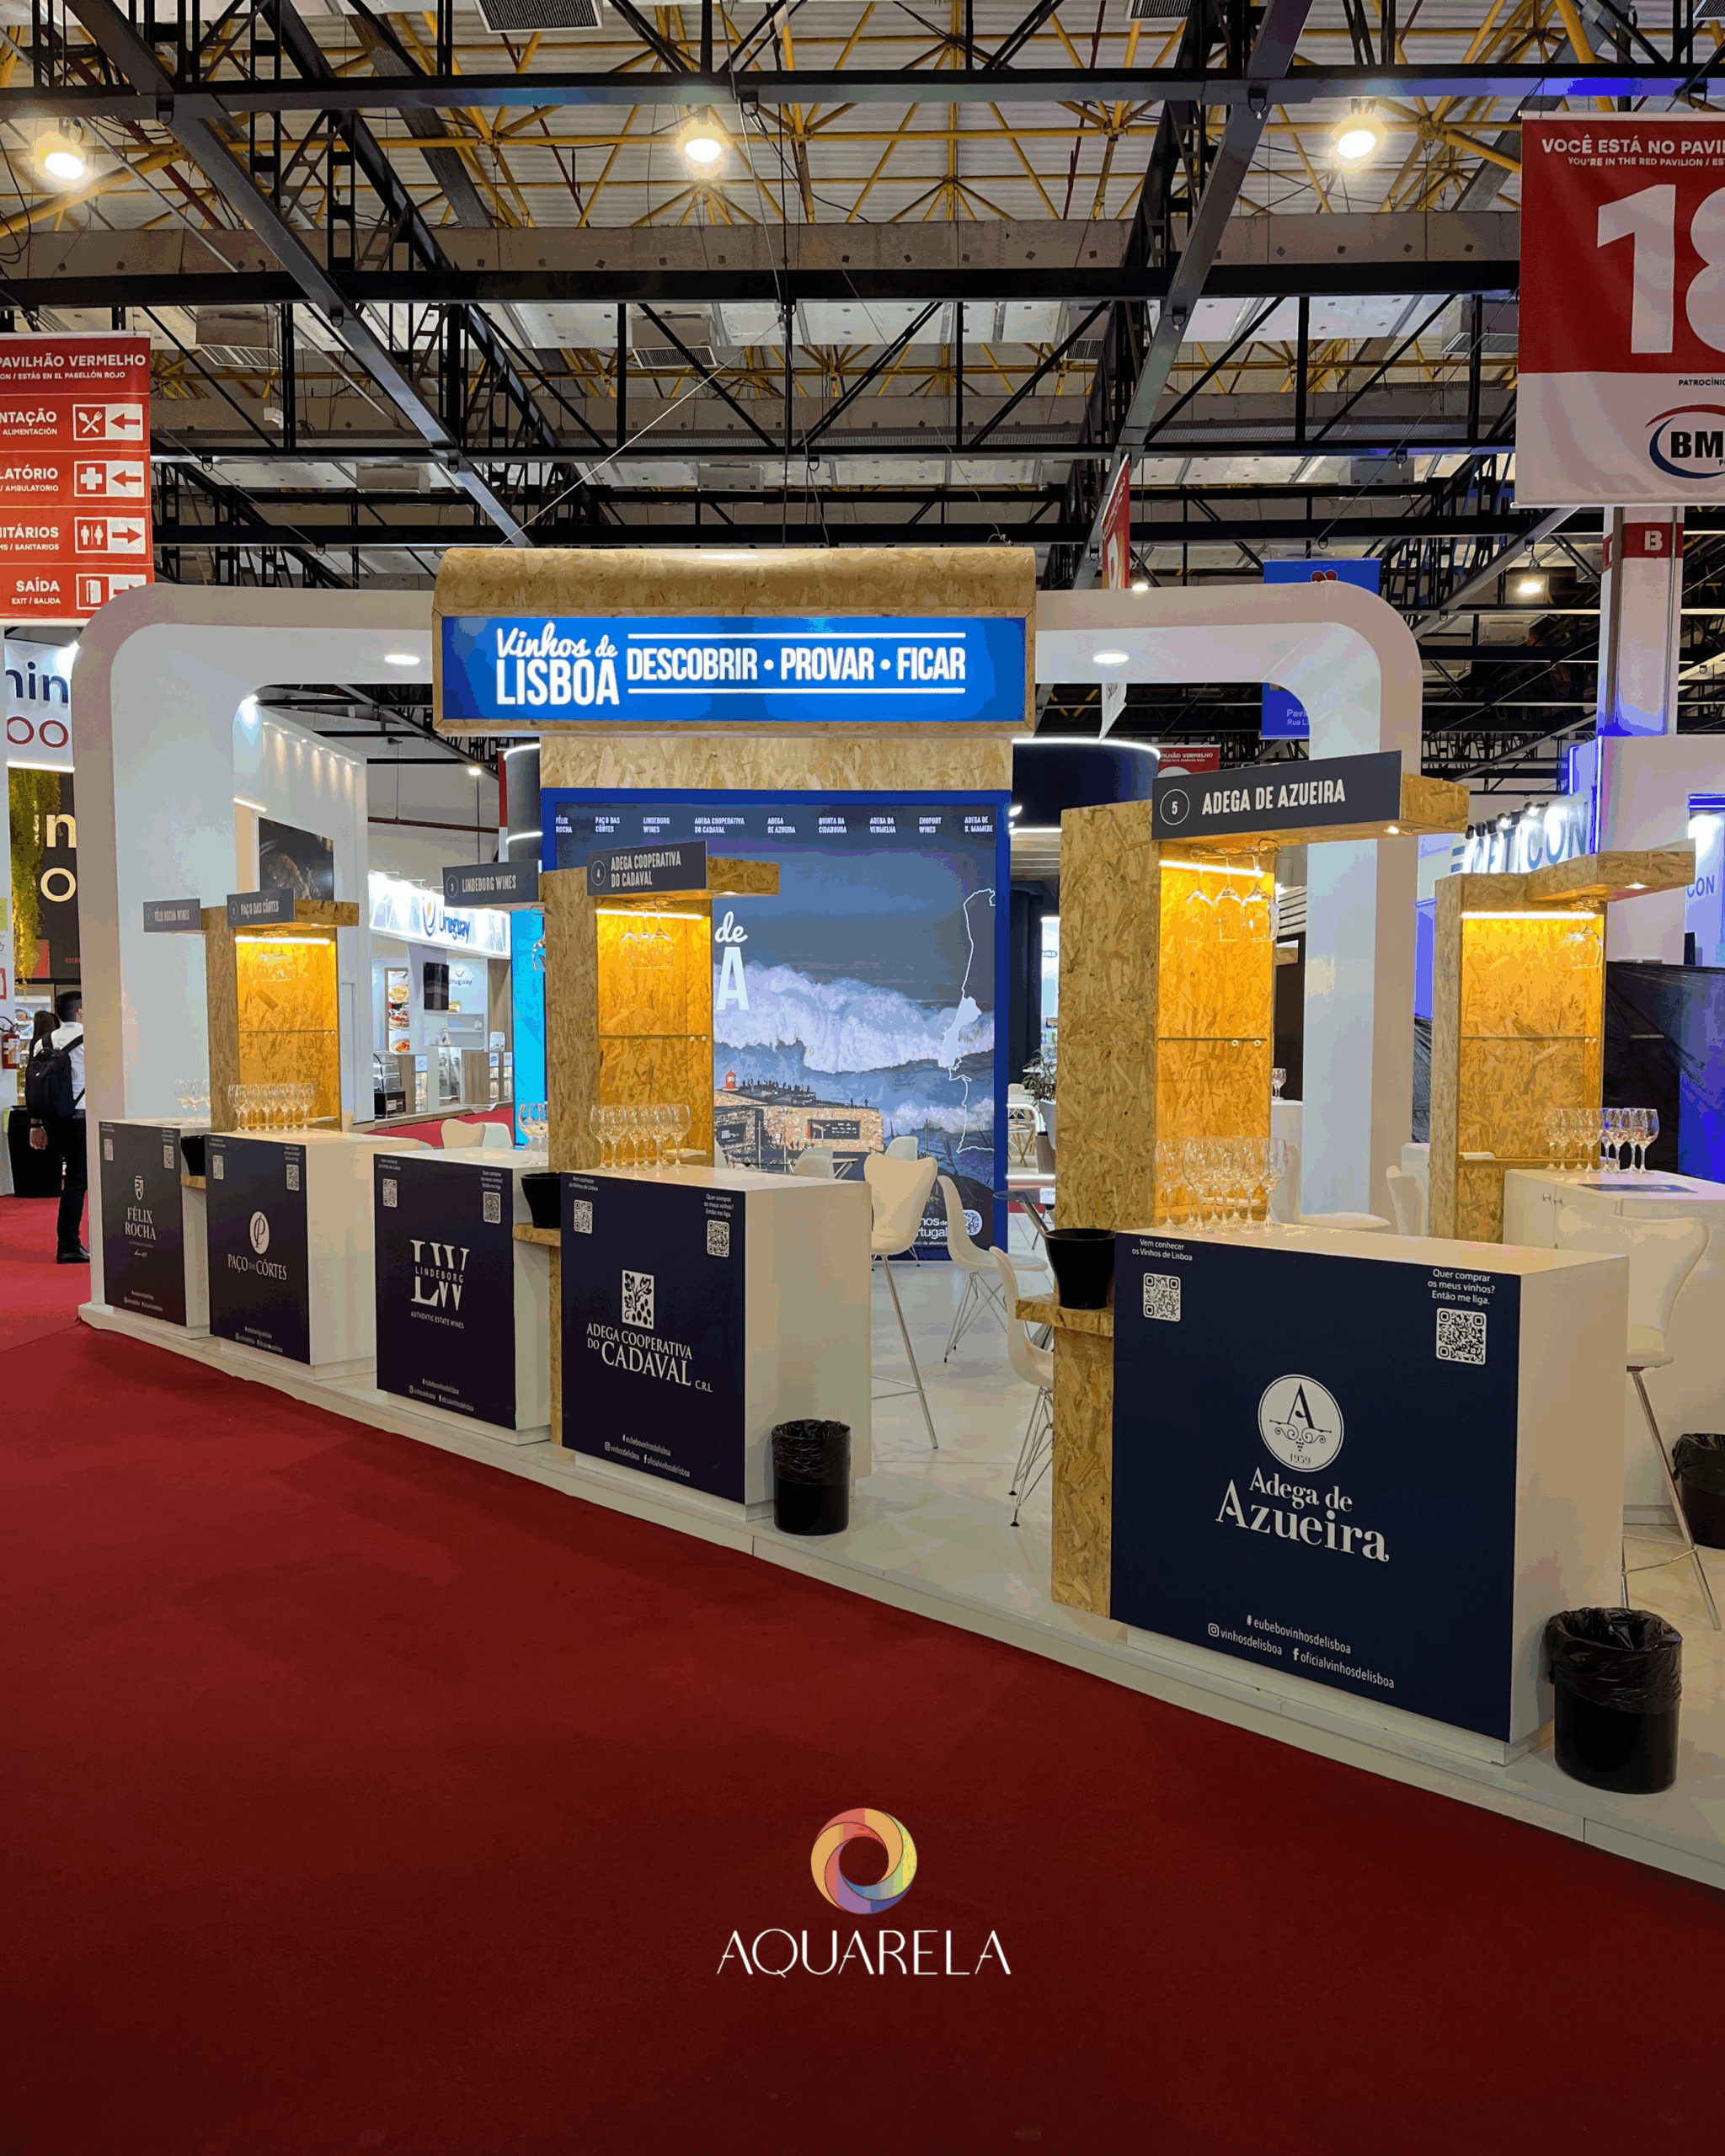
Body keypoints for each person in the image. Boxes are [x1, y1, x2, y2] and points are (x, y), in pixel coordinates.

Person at [26, 989, 88, 1262]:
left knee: (73, 1179)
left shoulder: (42, 1042)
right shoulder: (91, 1040)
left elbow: (34, 1086)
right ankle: (68, 1245)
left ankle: (70, 1244)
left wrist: (35, 1124)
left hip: (53, 1117)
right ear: (81, 1012)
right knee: (77, 1181)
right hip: (81, 1117)